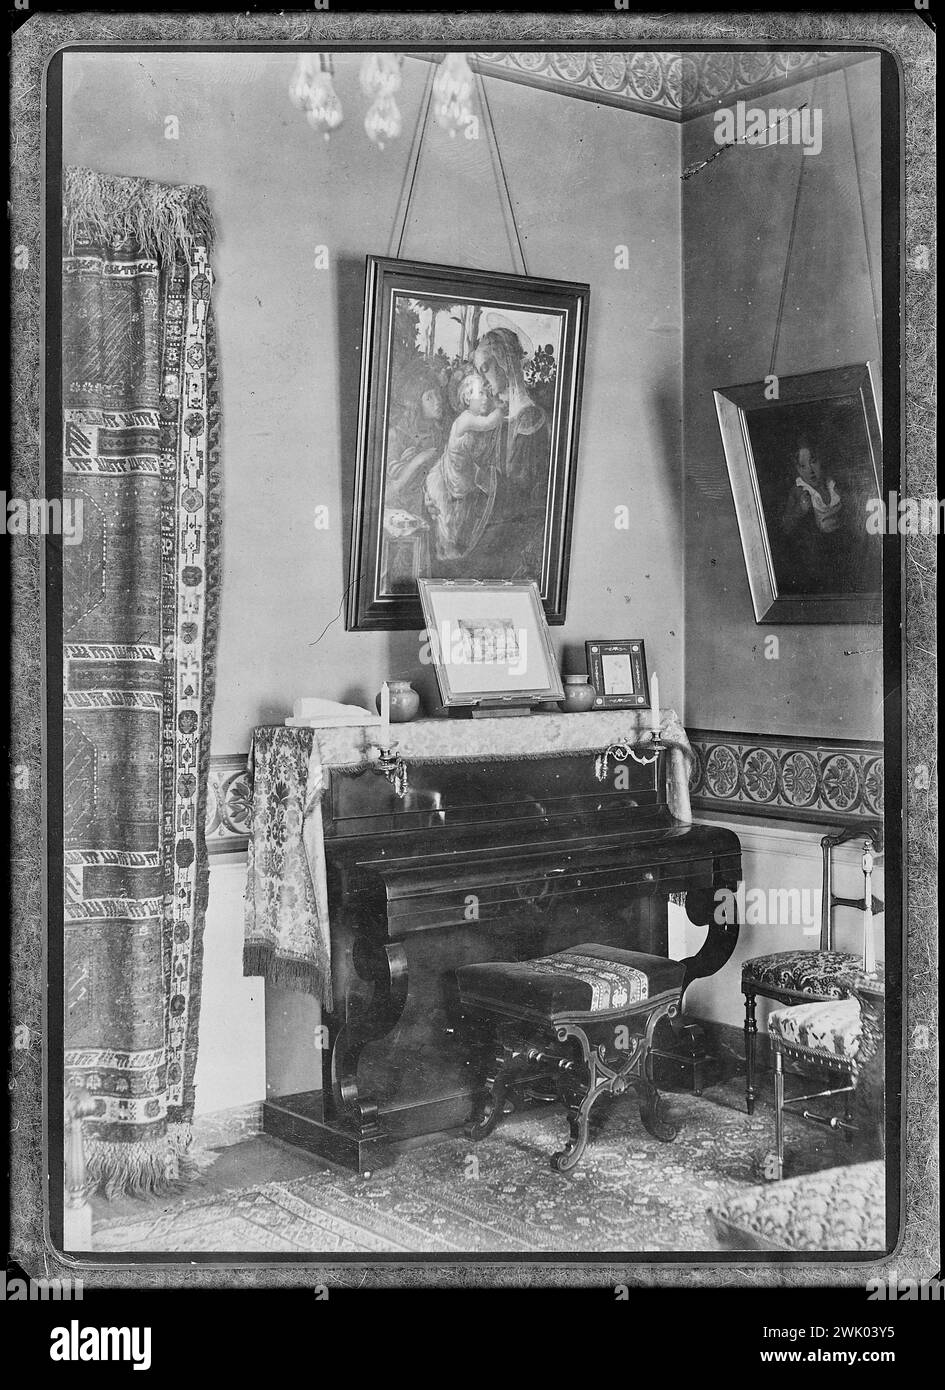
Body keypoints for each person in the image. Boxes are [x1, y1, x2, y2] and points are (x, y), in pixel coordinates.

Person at [423, 372, 505, 561]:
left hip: (462, 474)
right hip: (452, 475)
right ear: (467, 397)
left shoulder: (472, 418)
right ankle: (447, 556)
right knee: (449, 521)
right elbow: (489, 423)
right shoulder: (466, 419)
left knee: (457, 520)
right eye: (480, 394)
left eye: (487, 393)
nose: (485, 398)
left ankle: (451, 554)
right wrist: (501, 410)